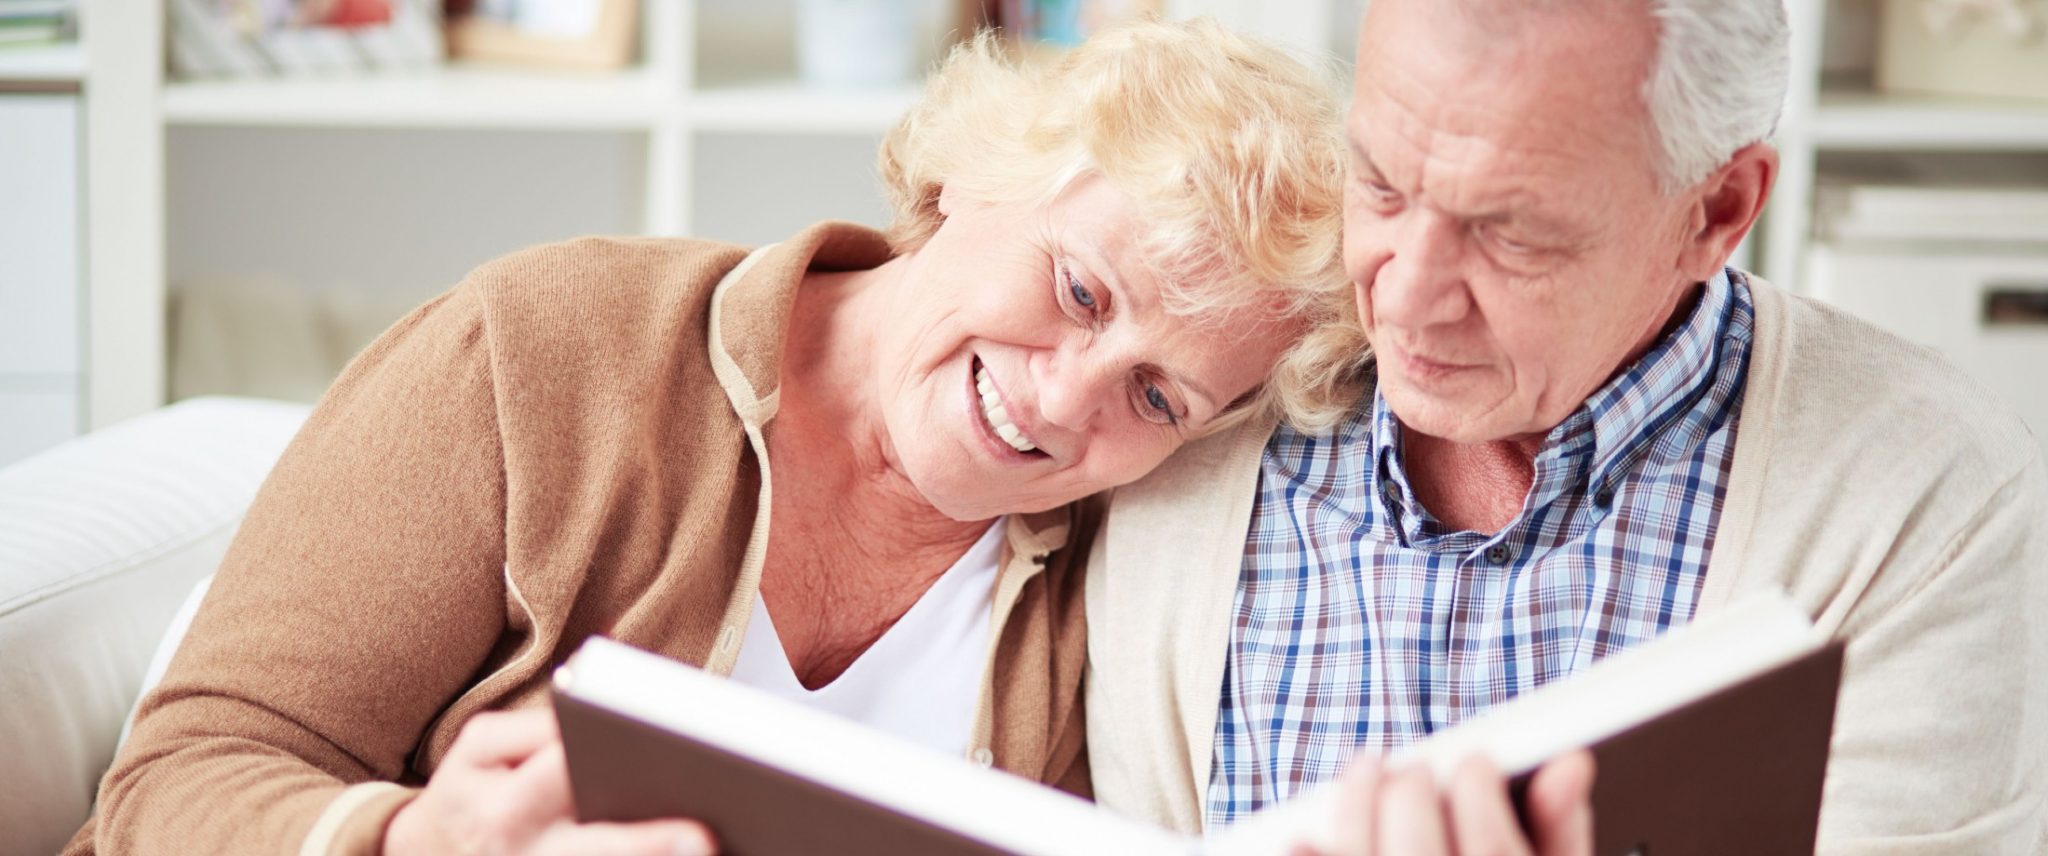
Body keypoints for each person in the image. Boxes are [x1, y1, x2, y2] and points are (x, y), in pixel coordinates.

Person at [67, 19, 1360, 856]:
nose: (1073, 398)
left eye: (1157, 399)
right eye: (1079, 290)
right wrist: (412, 844)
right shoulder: (545, 349)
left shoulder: (1107, 590)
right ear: (973, 173)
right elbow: (177, 780)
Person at [1085, 0, 2048, 853]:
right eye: (1380, 183)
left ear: (1718, 209)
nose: (1406, 297)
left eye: (1509, 232)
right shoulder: (1194, 414)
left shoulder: (1929, 501)